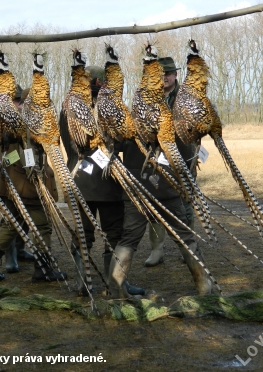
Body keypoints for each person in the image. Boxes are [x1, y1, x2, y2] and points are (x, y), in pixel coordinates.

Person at [59, 65, 144, 296]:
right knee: (109, 234)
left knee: (88, 234)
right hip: (105, 180)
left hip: (82, 180)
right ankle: (112, 285)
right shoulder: (100, 108)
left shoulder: (68, 106)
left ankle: (93, 284)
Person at [0, 86, 66, 282]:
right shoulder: (23, 121)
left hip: (13, 183)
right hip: (25, 185)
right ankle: (43, 271)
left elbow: (10, 156)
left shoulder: (10, 119)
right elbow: (17, 155)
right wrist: (34, 178)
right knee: (42, 226)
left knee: (11, 225)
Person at [109, 137, 212, 297]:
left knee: (128, 239)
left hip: (138, 186)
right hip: (165, 185)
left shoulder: (130, 117)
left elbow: (113, 147)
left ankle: (116, 292)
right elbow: (185, 151)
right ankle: (204, 287)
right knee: (185, 238)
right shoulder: (169, 116)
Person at [144, 57, 198, 267]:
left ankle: (188, 249)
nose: (164, 78)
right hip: (156, 161)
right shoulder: (148, 98)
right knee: (155, 205)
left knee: (185, 205)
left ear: (176, 74)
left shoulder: (186, 97)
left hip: (183, 158)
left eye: (168, 73)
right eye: (160, 74)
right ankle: (157, 250)